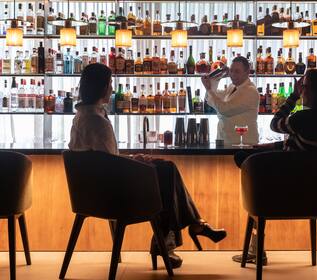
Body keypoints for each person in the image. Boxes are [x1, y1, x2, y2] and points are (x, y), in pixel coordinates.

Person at [69, 63, 226, 269]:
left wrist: (134, 159)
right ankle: (180, 234)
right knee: (165, 174)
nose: (112, 89)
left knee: (164, 170)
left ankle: (179, 236)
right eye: (109, 84)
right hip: (109, 196)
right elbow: (110, 166)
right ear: (101, 87)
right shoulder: (96, 120)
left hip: (93, 194)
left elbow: (104, 161)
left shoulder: (82, 116)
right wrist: (137, 162)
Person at [232, 69, 317, 265]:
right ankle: (256, 245)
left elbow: (274, 124)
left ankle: (257, 246)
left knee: (243, 159)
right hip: (314, 198)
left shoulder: (303, 118)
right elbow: (301, 146)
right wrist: (270, 147)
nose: (303, 91)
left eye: (305, 87)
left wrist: (293, 96)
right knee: (252, 159)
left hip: (283, 194)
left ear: (315, 91)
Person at [201, 56, 259, 145]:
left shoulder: (250, 91)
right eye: (231, 70)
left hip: (243, 145)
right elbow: (211, 98)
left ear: (247, 72)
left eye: (237, 71)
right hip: (225, 142)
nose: (233, 74)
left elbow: (224, 110)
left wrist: (209, 89)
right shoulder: (232, 87)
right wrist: (218, 76)